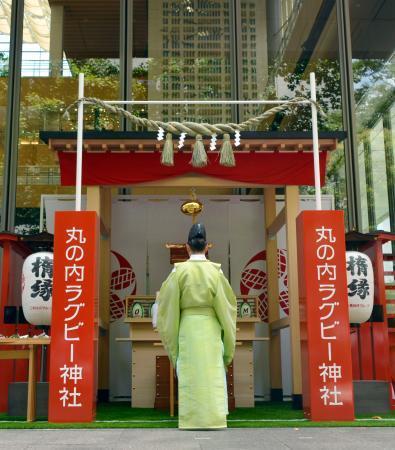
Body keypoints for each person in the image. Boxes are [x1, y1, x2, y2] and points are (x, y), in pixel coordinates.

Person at [156, 223, 237, 429]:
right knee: (212, 372)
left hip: (188, 327)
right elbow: (227, 309)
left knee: (190, 372)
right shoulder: (215, 273)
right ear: (207, 247)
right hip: (210, 328)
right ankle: (214, 419)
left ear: (187, 246)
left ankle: (191, 419)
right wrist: (228, 349)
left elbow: (168, 307)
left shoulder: (179, 272)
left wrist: (173, 350)